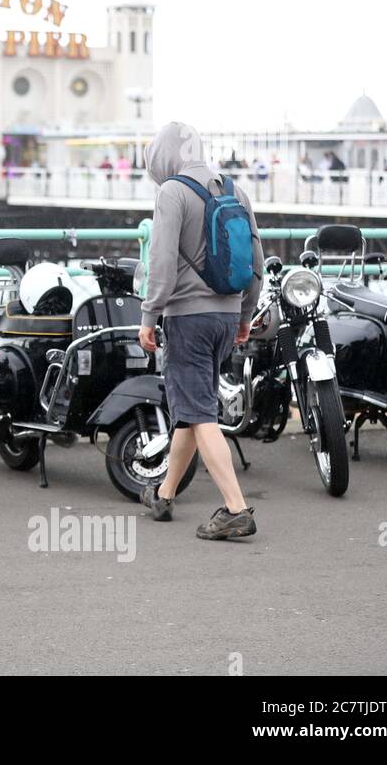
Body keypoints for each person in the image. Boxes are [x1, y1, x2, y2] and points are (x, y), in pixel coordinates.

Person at [137, 121, 265, 541]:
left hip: (188, 319)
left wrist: (149, 316)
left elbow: (161, 262)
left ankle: (236, 508)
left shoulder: (172, 192)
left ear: (162, 156)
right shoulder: (235, 190)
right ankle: (165, 493)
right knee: (193, 410)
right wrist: (245, 315)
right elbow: (257, 264)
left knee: (200, 414)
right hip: (227, 318)